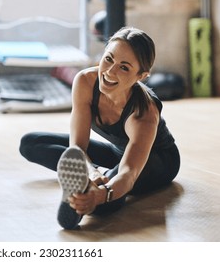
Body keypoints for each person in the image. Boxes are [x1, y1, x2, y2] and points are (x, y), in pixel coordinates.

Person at [19, 27, 180, 230]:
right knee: (31, 144)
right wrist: (91, 172)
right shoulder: (86, 82)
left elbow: (129, 172)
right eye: (109, 59)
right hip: (118, 152)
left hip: (158, 161)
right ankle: (95, 180)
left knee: (103, 202)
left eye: (124, 68)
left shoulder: (143, 113)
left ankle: (91, 194)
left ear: (141, 76)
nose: (109, 72)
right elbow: (77, 147)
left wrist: (101, 195)